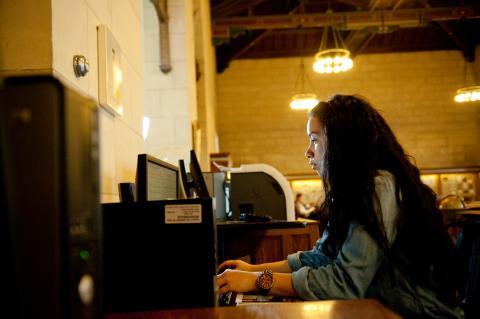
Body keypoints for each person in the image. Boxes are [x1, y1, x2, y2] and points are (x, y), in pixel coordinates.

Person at [216, 95, 464, 318]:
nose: (308, 152)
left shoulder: (379, 186)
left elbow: (346, 283)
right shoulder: (353, 190)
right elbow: (322, 256)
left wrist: (258, 281)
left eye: (314, 140)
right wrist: (253, 270)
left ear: (341, 143)